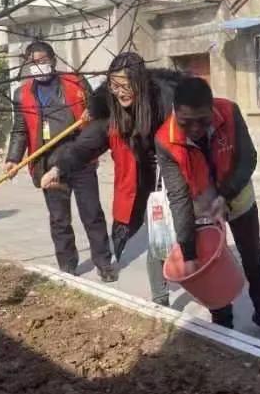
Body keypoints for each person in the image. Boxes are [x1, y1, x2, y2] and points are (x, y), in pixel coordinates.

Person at [40, 52, 181, 304]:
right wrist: (58, 168)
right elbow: (85, 145)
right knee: (156, 237)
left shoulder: (168, 103)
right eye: (114, 86)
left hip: (177, 173)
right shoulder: (112, 112)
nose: (120, 92)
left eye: (126, 86)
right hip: (144, 180)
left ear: (140, 83)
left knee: (189, 236)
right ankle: (161, 300)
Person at [154, 76, 260, 339]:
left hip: (237, 195)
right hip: (202, 205)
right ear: (175, 112)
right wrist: (188, 253)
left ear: (212, 108)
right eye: (185, 122)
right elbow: (178, 197)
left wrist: (226, 195)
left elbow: (248, 158)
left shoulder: (229, 111)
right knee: (211, 264)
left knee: (253, 257)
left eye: (202, 120)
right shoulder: (164, 140)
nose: (194, 129)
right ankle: (222, 320)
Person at [5, 41, 115, 282]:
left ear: (53, 60)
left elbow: (97, 115)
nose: (38, 66)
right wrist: (13, 158)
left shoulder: (75, 83)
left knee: (92, 213)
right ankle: (68, 266)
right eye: (33, 62)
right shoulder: (21, 93)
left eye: (42, 60)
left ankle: (103, 262)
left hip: (80, 158)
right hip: (47, 163)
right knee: (59, 219)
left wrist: (93, 113)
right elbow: (20, 129)